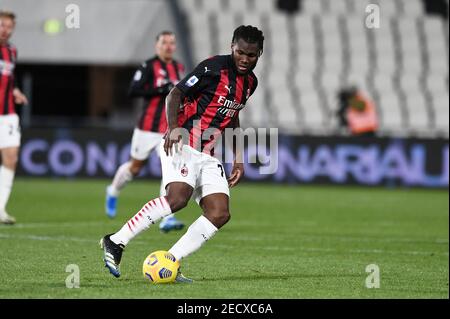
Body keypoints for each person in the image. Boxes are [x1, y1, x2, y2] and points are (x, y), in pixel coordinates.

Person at [100, 25, 264, 281]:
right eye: (240, 52)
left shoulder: (250, 83)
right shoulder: (212, 68)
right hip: (184, 142)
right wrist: (174, 128)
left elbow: (232, 116)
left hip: (209, 153)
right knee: (177, 199)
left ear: (259, 54)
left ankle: (170, 261)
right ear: (232, 47)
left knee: (220, 213)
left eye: (251, 55)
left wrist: (239, 158)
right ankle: (116, 240)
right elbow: (175, 94)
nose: (244, 59)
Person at [105, 31, 185, 232]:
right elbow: (133, 90)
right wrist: (160, 90)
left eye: (171, 43)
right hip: (147, 128)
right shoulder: (148, 66)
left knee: (171, 169)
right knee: (135, 168)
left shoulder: (179, 67)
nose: (168, 46)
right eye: (164, 42)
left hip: (167, 129)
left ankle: (167, 217)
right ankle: (113, 190)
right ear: (156, 45)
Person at [0, 11, 28, 225]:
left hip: (8, 114)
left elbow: (11, 77)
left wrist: (16, 90)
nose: (5, 30)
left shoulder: (12, 51)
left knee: (11, 158)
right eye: (2, 25)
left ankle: (0, 209)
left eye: (9, 26)